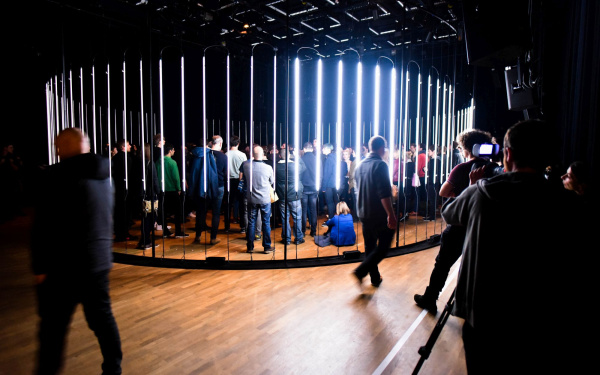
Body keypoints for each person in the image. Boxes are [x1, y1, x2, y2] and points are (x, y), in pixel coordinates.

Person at [441, 119, 584, 374]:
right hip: (541, 317)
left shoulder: (482, 193)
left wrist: (473, 185)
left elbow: (449, 212)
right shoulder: (567, 202)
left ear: (507, 154)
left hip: (484, 314)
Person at [30, 128, 122, 374]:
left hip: (64, 264)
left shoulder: (55, 176)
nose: (57, 151)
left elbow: (43, 225)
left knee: (52, 329)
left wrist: (40, 267)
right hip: (99, 260)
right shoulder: (105, 175)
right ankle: (113, 369)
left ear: (63, 147)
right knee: (102, 319)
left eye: (58, 146)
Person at [413, 129, 492, 313]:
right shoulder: (492, 168)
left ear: (468, 148)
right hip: (481, 225)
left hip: (459, 224)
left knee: (442, 264)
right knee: (475, 266)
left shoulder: (463, 169)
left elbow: (443, 192)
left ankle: (430, 298)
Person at [352, 135, 397, 289]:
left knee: (370, 246)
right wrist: (391, 214)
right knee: (384, 246)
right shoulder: (381, 165)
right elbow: (383, 193)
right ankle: (361, 271)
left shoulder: (359, 165)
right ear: (382, 148)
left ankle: (375, 277)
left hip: (363, 212)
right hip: (378, 213)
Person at [242, 145, 275, 254]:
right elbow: (271, 182)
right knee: (266, 222)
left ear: (252, 154)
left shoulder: (246, 165)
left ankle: (250, 247)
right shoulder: (268, 168)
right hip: (264, 199)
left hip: (251, 198)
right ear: (263, 154)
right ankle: (266, 247)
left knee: (251, 222)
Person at [155, 143, 188, 238]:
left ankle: (165, 231)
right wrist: (179, 188)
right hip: (172, 189)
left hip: (162, 190)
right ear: (170, 151)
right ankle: (178, 232)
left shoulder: (158, 162)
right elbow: (176, 178)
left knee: (163, 211)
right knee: (178, 211)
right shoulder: (172, 162)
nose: (174, 152)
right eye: (173, 150)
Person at [111, 139, 140, 242]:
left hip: (117, 189)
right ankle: (124, 234)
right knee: (125, 213)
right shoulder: (126, 158)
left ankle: (120, 234)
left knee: (119, 213)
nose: (130, 146)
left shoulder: (115, 158)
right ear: (123, 147)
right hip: (125, 190)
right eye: (128, 145)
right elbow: (129, 174)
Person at [275, 148, 305, 245]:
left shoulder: (275, 167)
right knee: (297, 217)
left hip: (282, 195)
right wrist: (297, 156)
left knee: (284, 218)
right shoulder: (295, 166)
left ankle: (286, 239)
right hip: (294, 195)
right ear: (289, 155)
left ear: (280, 156)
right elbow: (304, 167)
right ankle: (298, 238)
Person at [137, 143, 160, 250]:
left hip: (141, 194)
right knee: (151, 219)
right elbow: (154, 180)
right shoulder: (150, 163)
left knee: (145, 219)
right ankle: (146, 241)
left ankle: (145, 241)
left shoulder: (138, 163)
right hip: (150, 195)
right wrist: (158, 191)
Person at [226, 135, 247, 232]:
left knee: (228, 204)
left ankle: (227, 226)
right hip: (239, 181)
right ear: (238, 143)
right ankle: (243, 226)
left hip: (228, 181)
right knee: (242, 205)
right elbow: (245, 169)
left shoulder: (226, 154)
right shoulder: (242, 155)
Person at [300, 142, 318, 236]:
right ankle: (313, 231)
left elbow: (299, 174)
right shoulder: (316, 159)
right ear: (312, 148)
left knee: (303, 210)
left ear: (304, 149)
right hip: (314, 187)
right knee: (313, 210)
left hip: (304, 188)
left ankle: (303, 231)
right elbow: (320, 174)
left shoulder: (301, 159)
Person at [423, 144, 442, 221]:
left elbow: (430, 171)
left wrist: (426, 170)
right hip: (434, 182)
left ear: (434, 151)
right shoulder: (438, 160)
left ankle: (432, 216)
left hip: (432, 182)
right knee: (433, 199)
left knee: (432, 199)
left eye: (429, 151)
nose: (428, 152)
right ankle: (431, 215)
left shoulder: (434, 161)